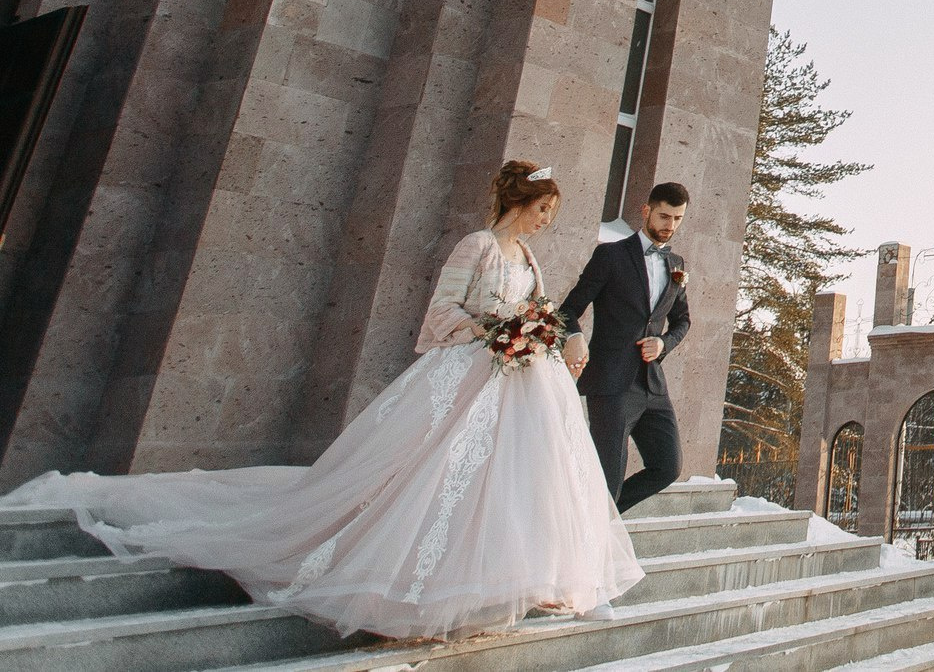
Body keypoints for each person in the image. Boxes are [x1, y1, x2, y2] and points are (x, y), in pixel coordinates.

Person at [2, 162, 642, 639]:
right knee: (432, 475)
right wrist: (495, 332)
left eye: (551, 213)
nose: (547, 221)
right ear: (520, 202)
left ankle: (539, 579)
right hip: (469, 371)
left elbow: (536, 305)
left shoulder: (525, 253)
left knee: (524, 477)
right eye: (543, 209)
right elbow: (442, 310)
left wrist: (547, 331)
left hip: (518, 380)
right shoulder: (476, 245)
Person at [559, 181, 691, 511]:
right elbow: (568, 310)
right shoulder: (611, 256)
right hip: (611, 383)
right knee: (608, 479)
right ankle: (596, 528)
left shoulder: (677, 264)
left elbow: (682, 321)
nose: (670, 225)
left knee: (668, 467)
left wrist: (663, 343)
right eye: (664, 216)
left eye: (677, 218)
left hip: (653, 385)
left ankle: (603, 522)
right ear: (646, 211)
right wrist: (575, 338)